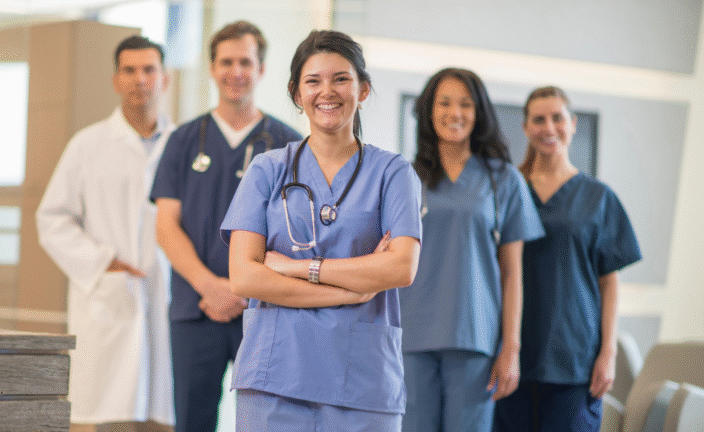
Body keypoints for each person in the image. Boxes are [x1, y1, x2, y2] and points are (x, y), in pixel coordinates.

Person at [221, 30, 422, 431]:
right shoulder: (267, 169)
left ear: (363, 89)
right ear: (297, 94)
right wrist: (355, 288)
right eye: (313, 81)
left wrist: (297, 267)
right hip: (276, 377)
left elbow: (401, 268)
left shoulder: (393, 173)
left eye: (341, 79)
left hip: (362, 381)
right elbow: (244, 276)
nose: (326, 91)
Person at [150, 21, 301, 432]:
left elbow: (295, 237)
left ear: (262, 69)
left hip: (263, 310)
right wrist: (209, 286)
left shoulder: (288, 145)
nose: (236, 71)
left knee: (271, 421)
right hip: (195, 309)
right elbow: (166, 227)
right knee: (193, 421)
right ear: (212, 69)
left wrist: (239, 288)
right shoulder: (183, 140)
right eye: (227, 62)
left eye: (246, 62)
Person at [37, 35, 174, 431]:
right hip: (109, 297)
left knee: (165, 414)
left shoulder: (182, 144)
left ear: (164, 79)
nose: (140, 80)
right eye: (129, 70)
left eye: (149, 70)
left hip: (167, 297)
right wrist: (102, 262)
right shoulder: (88, 144)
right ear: (115, 80)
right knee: (110, 416)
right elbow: (53, 218)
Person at [399, 68, 545, 432]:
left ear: (479, 113)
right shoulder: (404, 178)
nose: (455, 112)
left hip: (474, 335)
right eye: (444, 102)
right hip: (411, 335)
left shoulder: (504, 179)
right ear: (429, 111)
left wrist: (510, 348)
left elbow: (512, 272)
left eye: (465, 104)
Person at [493, 86, 642, 432]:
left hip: (574, 358)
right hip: (510, 355)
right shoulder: (508, 190)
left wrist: (609, 353)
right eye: (539, 119)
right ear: (526, 127)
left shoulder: (598, 197)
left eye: (557, 118)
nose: (549, 127)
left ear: (572, 123)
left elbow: (609, 283)